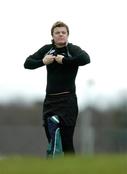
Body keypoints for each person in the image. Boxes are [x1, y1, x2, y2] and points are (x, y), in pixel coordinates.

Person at [24, 21, 90, 157]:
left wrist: (65, 60)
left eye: (63, 32)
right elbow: (27, 63)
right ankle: (54, 167)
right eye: (57, 33)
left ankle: (73, 171)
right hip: (50, 101)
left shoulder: (72, 50)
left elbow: (85, 59)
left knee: (67, 141)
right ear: (52, 36)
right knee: (52, 139)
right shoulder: (47, 50)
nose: (60, 35)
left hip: (68, 101)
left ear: (67, 35)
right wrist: (43, 62)